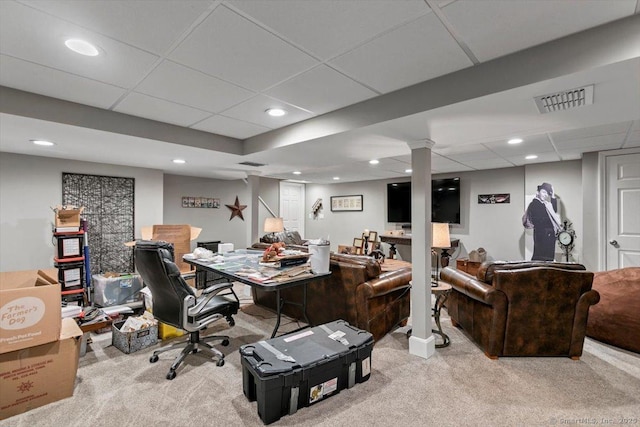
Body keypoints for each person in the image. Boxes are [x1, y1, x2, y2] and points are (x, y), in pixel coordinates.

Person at [525, 182, 561, 261]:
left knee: (546, 258)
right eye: (543, 192)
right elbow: (541, 220)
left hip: (547, 235)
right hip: (543, 235)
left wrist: (553, 195)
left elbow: (553, 211)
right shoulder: (535, 204)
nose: (545, 195)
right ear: (537, 192)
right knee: (542, 258)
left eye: (547, 193)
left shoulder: (544, 204)